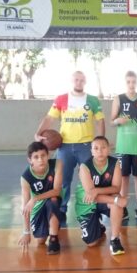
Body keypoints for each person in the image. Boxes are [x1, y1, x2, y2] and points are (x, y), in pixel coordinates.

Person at [34, 71, 105, 227]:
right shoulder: (61, 99)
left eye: (81, 80)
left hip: (86, 146)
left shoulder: (92, 100)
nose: (78, 82)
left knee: (90, 180)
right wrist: (38, 133)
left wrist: (100, 142)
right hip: (65, 146)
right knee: (63, 181)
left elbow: (100, 121)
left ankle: (91, 209)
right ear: (72, 81)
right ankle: (61, 209)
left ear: (85, 81)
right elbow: (50, 118)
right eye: (76, 80)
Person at [110, 71, 137, 223]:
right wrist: (117, 121)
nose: (131, 84)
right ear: (125, 82)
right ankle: (123, 206)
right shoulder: (118, 99)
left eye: (134, 81)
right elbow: (111, 121)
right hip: (123, 146)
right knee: (124, 177)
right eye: (128, 82)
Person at [76, 136, 127, 255]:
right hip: (87, 204)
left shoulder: (115, 163)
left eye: (103, 147)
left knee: (116, 203)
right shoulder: (85, 167)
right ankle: (98, 226)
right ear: (92, 151)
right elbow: (91, 195)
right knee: (91, 243)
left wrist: (97, 191)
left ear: (108, 149)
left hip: (104, 199)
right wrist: (115, 199)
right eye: (96, 148)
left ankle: (115, 239)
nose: (100, 151)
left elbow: (116, 187)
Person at [18, 142, 64, 255]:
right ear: (30, 160)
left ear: (48, 155)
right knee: (40, 240)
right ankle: (51, 223)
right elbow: (25, 207)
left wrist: (35, 199)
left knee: (53, 200)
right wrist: (26, 232)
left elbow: (57, 191)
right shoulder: (26, 177)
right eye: (36, 157)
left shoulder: (57, 164)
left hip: (53, 200)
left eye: (43, 155)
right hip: (38, 207)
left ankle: (53, 238)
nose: (40, 159)